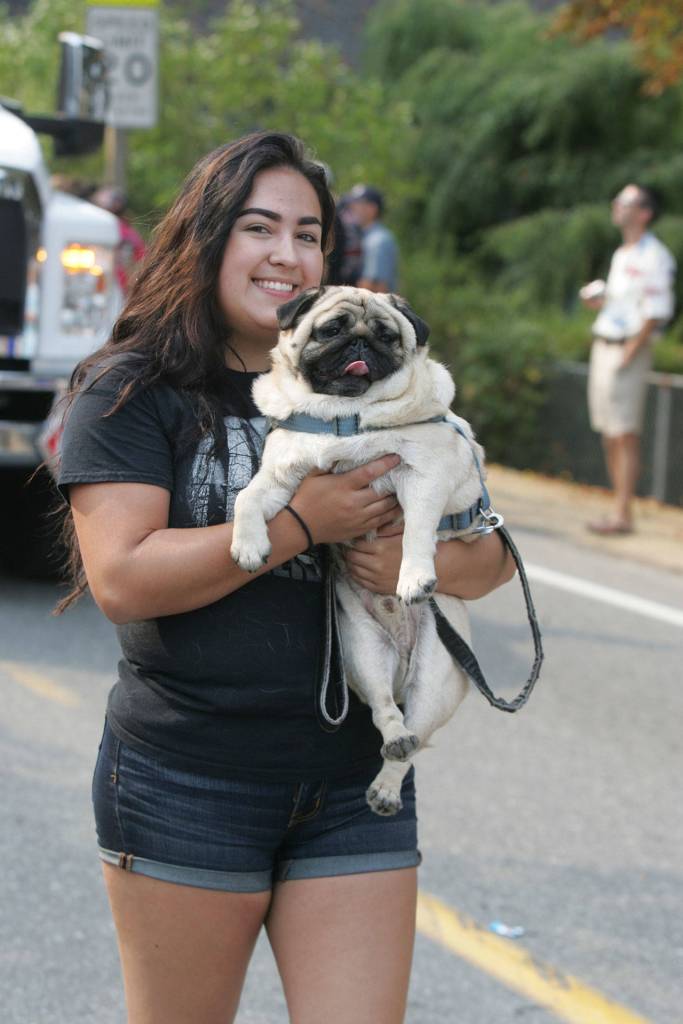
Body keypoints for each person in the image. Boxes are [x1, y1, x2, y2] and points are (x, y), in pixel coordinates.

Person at [55, 131, 515, 1024]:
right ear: (206, 237)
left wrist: (415, 556)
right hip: (189, 782)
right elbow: (122, 579)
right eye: (259, 227)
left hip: (354, 785)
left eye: (308, 235)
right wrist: (306, 523)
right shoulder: (131, 389)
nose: (285, 254)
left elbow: (491, 560)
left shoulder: (392, 395)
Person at [581, 184, 676, 535]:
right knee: (609, 432)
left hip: (626, 350)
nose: (616, 206)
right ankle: (618, 510)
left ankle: (623, 513)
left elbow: (657, 310)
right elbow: (625, 304)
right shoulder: (623, 253)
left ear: (644, 213)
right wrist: (599, 301)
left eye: (625, 202)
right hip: (605, 345)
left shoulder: (656, 256)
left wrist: (631, 352)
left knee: (624, 433)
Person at [90, 185, 147, 294]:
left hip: (110, 288)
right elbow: (142, 261)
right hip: (115, 288)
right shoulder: (129, 232)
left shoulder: (125, 232)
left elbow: (140, 260)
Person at [349, 183, 399, 293]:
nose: (352, 207)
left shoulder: (377, 240)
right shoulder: (367, 236)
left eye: (358, 203)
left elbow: (374, 286)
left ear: (372, 208)